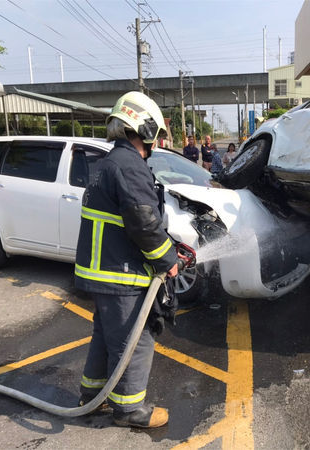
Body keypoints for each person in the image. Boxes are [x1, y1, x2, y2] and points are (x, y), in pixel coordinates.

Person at [75, 91, 179, 429]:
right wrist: (168, 258)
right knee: (135, 339)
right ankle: (129, 410)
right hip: (121, 274)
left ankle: (91, 398)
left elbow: (129, 220)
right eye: (156, 134)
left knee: (106, 337)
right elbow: (143, 221)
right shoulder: (129, 166)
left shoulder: (107, 163)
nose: (156, 142)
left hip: (102, 272)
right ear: (144, 128)